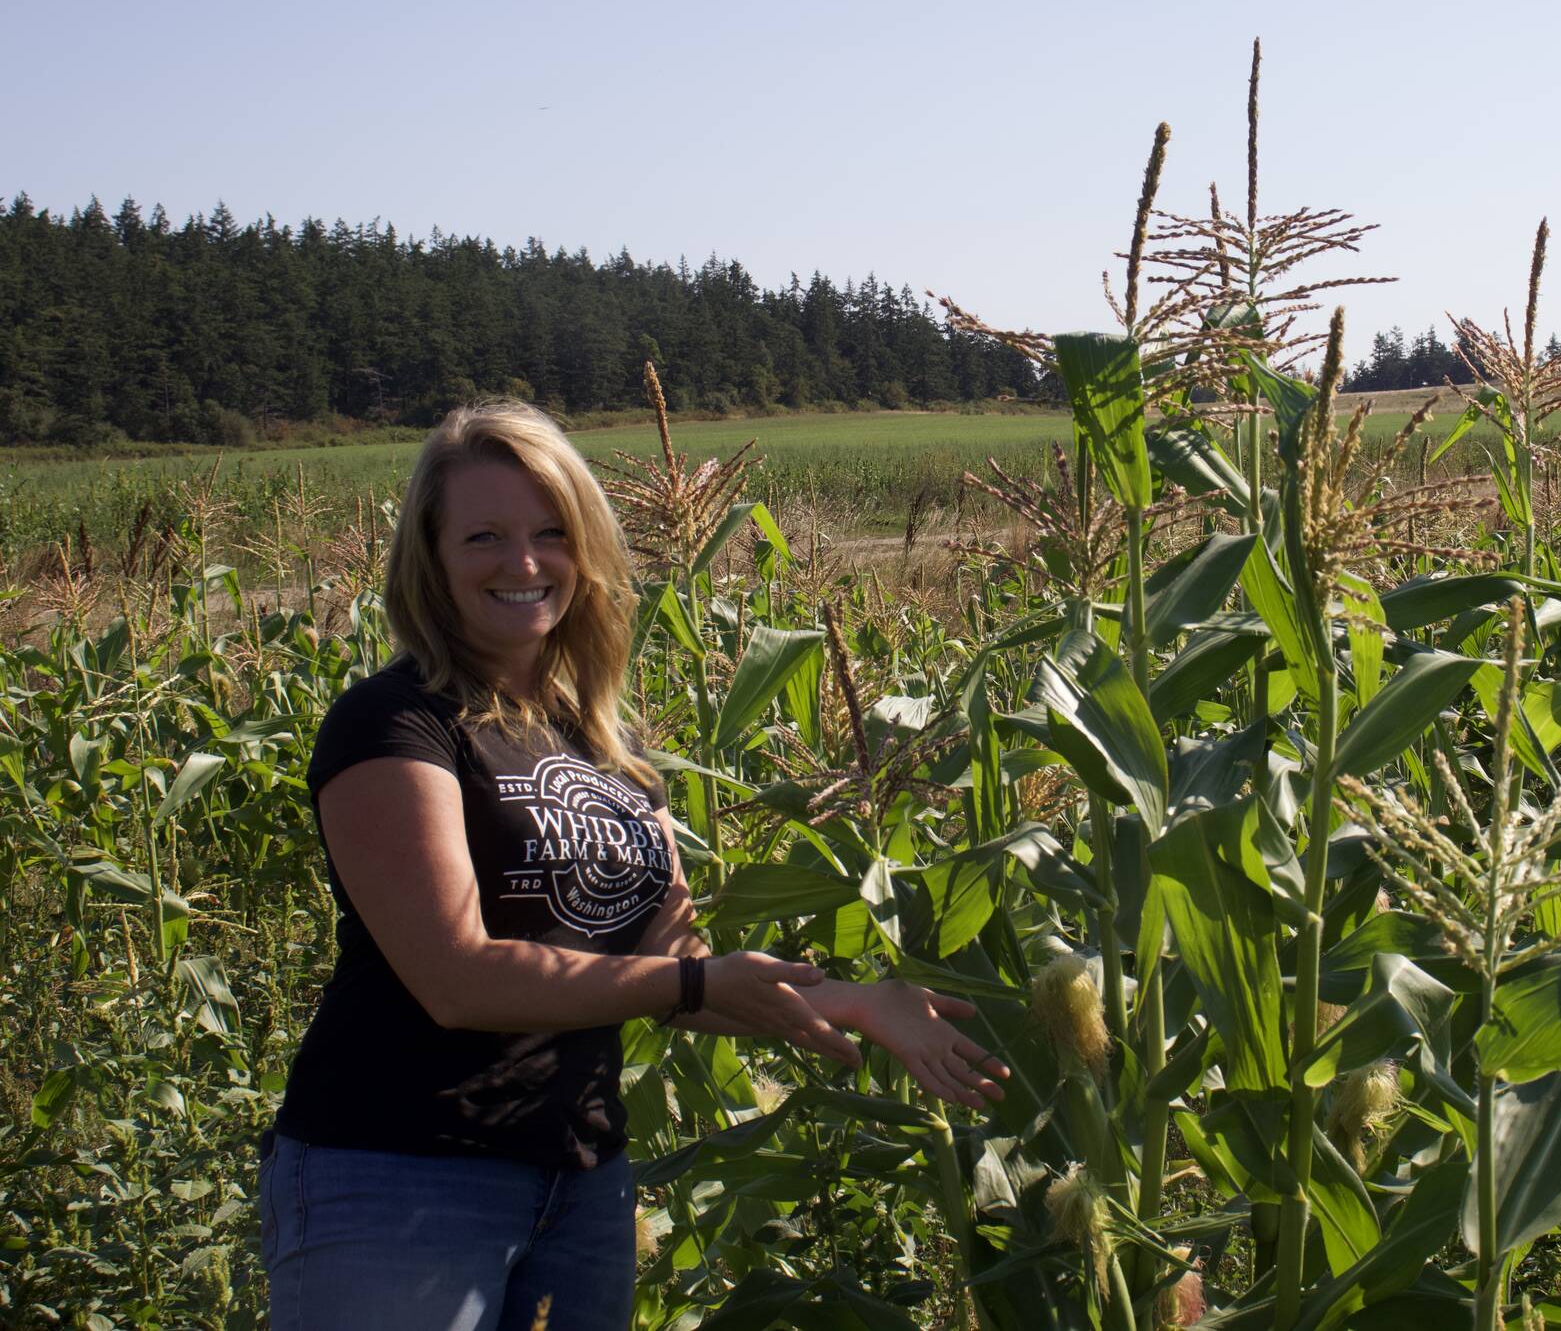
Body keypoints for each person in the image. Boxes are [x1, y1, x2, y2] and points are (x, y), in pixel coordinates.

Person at [259, 399, 1007, 1330]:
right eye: (485, 535)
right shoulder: (395, 722)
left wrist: (856, 1000)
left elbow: (676, 960)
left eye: (550, 532)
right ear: (432, 554)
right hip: (400, 1174)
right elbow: (456, 976)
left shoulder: (609, 741)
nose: (524, 562)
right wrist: (692, 985)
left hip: (582, 1181)